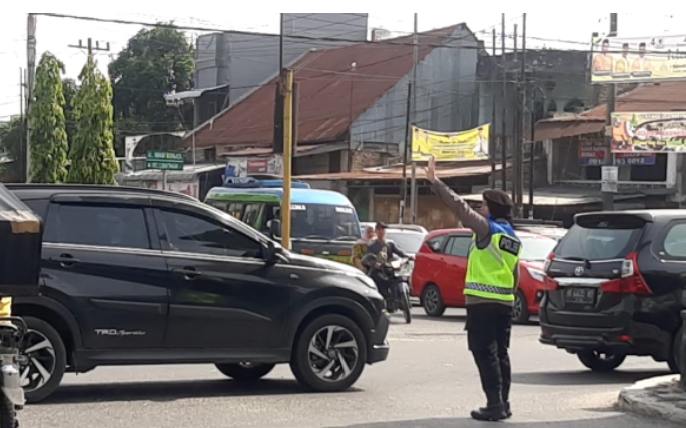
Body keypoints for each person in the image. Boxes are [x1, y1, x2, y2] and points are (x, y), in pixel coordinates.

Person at [425, 156, 521, 422]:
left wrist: (435, 181)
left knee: (484, 352)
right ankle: (504, 402)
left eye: (484, 205)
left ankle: (494, 404)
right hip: (504, 303)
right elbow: (515, 274)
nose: (481, 208)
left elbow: (460, 207)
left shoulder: (487, 229)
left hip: (482, 303)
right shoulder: (512, 237)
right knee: (501, 353)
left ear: (492, 208)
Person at [365, 222, 414, 298]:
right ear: (376, 231)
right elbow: (368, 258)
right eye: (379, 230)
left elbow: (399, 252)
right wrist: (375, 264)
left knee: (400, 277)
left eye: (383, 230)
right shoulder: (371, 245)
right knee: (378, 278)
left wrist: (408, 257)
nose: (381, 232)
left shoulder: (390, 244)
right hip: (378, 270)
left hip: (389, 269)